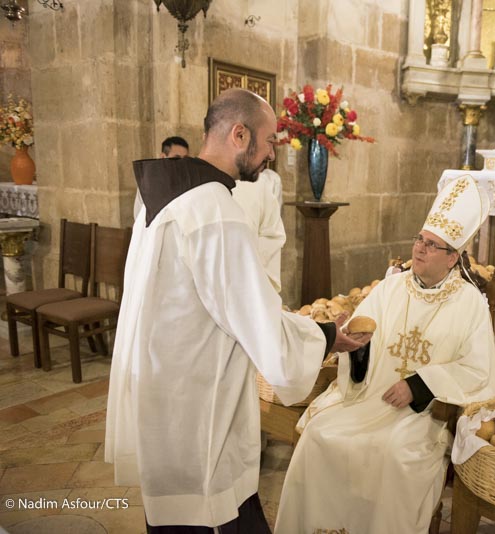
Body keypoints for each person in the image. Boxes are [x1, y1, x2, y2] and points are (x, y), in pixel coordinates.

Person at [105, 88, 370, 533]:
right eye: (268, 142)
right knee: (214, 511)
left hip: (162, 392)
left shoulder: (162, 198)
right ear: (239, 134)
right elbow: (260, 327)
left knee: (176, 515)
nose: (272, 154)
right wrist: (326, 336)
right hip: (199, 404)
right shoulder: (215, 211)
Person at [275, 175, 495, 534]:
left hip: (420, 414)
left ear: (452, 257)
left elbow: (478, 371)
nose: (420, 249)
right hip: (370, 398)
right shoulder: (391, 287)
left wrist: (419, 385)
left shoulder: (470, 302)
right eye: (420, 240)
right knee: (319, 435)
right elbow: (361, 343)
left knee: (395, 454)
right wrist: (357, 346)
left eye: (432, 245)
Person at [232, 168, 285, 291]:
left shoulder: (262, 183)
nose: (271, 158)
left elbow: (273, 233)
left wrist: (253, 263)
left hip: (251, 279)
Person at [133, 136, 190, 219]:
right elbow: (138, 216)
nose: (181, 163)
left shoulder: (188, 181)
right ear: (163, 157)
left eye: (185, 159)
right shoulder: (148, 183)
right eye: (176, 158)